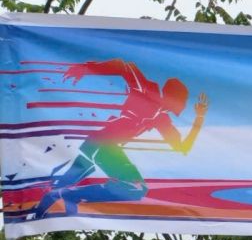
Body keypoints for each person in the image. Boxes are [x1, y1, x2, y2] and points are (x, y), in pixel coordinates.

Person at [31, 59, 209, 219]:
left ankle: (54, 202)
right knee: (135, 188)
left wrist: (199, 119)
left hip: (101, 147)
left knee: (58, 189)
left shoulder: (162, 120)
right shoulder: (146, 90)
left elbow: (182, 148)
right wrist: (86, 68)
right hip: (103, 145)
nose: (183, 106)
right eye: (183, 100)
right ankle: (69, 196)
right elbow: (124, 66)